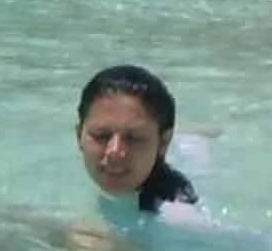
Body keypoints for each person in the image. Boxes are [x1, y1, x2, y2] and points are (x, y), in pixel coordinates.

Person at [77, 64, 201, 216]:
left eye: (134, 138)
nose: (115, 151)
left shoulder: (174, 211)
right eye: (101, 135)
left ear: (163, 143)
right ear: (79, 135)